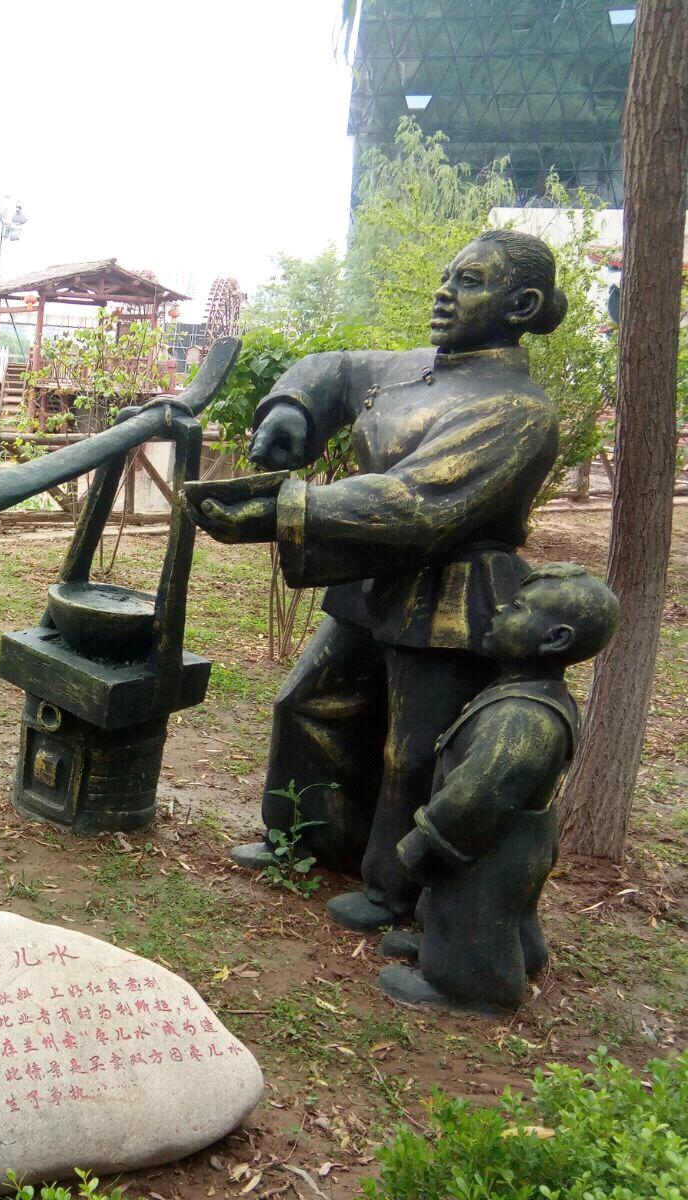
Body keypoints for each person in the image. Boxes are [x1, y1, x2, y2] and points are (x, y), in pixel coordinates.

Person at [195, 229, 569, 931]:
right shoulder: (413, 367)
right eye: (448, 275)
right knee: (309, 702)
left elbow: (417, 506)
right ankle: (307, 837)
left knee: (412, 750)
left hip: (451, 596)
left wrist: (283, 511)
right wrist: (290, 410)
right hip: (374, 584)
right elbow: (333, 369)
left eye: (470, 281)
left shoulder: (518, 412)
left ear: (520, 304)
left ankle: (392, 890)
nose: (445, 291)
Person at [377, 563, 618, 1014]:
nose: (501, 611)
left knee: (474, 911)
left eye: (518, 608)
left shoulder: (522, 718)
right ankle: (523, 951)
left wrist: (424, 843)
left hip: (488, 850)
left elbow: (474, 797)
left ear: (555, 640)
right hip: (519, 841)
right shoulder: (532, 692)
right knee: (508, 909)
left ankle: (472, 986)